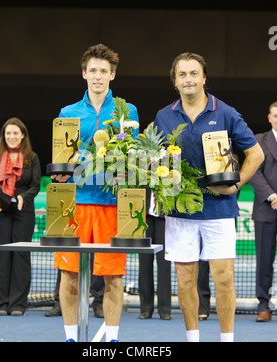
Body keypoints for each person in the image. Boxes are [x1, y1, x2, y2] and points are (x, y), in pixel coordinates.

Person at [154, 52, 264, 342]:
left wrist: (236, 185)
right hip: (180, 212)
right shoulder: (163, 116)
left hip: (219, 210)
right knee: (185, 280)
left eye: (193, 74)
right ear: (174, 81)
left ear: (204, 78)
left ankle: (226, 340)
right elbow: (156, 159)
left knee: (224, 278)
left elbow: (256, 153)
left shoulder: (225, 113)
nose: (188, 79)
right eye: (182, 75)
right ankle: (193, 339)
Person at [53, 44, 139, 342]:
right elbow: (63, 165)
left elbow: (132, 160)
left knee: (113, 277)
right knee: (70, 276)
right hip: (73, 204)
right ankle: (70, 338)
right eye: (93, 71)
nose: (98, 76)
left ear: (112, 75)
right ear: (84, 74)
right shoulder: (68, 113)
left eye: (104, 71)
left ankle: (113, 340)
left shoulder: (127, 111)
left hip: (112, 205)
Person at [0, 117, 41, 316]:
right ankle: (3, 302)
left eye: (15, 133)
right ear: (3, 136)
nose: (12, 137)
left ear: (22, 135)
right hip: (2, 211)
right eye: (8, 133)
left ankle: (18, 303)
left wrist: (25, 197)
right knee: (4, 255)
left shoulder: (31, 158)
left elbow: (35, 185)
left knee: (21, 255)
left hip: (24, 211)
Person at [249, 101, 277, 322]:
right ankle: (263, 306)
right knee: (264, 261)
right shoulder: (258, 140)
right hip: (266, 209)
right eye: (276, 115)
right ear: (269, 118)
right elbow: (254, 173)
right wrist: (272, 196)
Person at [138, 188, 171, 320]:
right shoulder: (140, 168)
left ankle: (165, 309)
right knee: (144, 264)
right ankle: (146, 308)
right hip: (143, 217)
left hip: (164, 218)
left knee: (164, 265)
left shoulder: (169, 168)